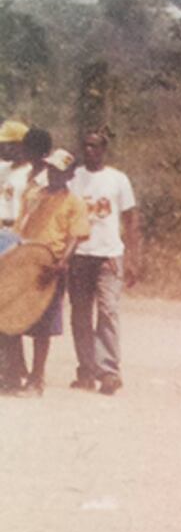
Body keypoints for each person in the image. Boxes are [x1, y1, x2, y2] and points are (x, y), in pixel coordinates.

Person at [0, 148, 89, 396]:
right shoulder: (35, 195)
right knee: (9, 317)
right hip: (25, 262)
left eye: (59, 170)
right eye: (50, 168)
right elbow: (21, 225)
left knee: (43, 327)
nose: (53, 174)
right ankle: (12, 374)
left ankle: (36, 379)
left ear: (69, 174)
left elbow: (76, 235)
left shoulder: (74, 202)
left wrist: (62, 262)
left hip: (49, 266)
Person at [66, 128, 139, 395]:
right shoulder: (73, 178)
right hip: (79, 254)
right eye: (86, 145)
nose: (89, 150)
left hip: (108, 255)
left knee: (108, 310)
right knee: (80, 314)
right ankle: (86, 370)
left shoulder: (117, 179)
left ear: (104, 150)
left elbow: (131, 220)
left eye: (95, 146)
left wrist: (133, 257)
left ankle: (108, 371)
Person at [0, 127, 51, 391]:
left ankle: (20, 371)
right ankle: (12, 367)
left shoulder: (34, 176)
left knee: (16, 304)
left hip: (18, 236)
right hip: (2, 232)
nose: (3, 148)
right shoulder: (4, 169)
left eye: (8, 144)